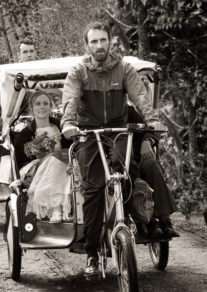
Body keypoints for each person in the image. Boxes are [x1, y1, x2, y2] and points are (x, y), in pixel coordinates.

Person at [61, 21, 165, 277]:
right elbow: (71, 99)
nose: (99, 45)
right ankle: (92, 254)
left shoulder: (124, 69)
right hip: (89, 133)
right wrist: (68, 123)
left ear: (110, 42)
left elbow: (140, 96)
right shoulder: (78, 72)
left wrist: (151, 119)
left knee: (126, 170)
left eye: (103, 40)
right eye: (94, 41)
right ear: (87, 45)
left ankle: (135, 218)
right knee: (93, 189)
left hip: (118, 131)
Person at [13, 91, 72, 223]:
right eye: (38, 104)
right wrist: (37, 153)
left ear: (50, 106)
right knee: (52, 160)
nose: (42, 107)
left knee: (59, 161)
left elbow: (71, 147)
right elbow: (21, 160)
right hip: (33, 168)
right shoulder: (26, 132)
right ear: (32, 107)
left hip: (61, 164)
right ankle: (56, 209)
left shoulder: (60, 126)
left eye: (45, 103)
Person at [128, 105, 179, 238]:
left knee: (151, 165)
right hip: (115, 165)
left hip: (138, 159)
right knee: (128, 173)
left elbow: (150, 130)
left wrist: (147, 141)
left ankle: (165, 220)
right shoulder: (93, 114)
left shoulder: (128, 111)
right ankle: (149, 222)